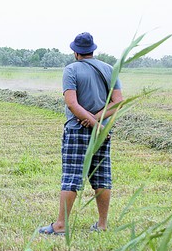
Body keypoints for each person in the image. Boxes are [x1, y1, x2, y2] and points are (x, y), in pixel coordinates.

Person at [39, 32, 123, 235]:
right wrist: (99, 123)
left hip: (78, 131)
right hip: (102, 133)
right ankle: (102, 225)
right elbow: (118, 102)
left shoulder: (71, 70)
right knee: (102, 177)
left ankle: (60, 225)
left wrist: (91, 121)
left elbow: (71, 103)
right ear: (93, 50)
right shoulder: (110, 69)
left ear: (76, 52)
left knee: (71, 177)